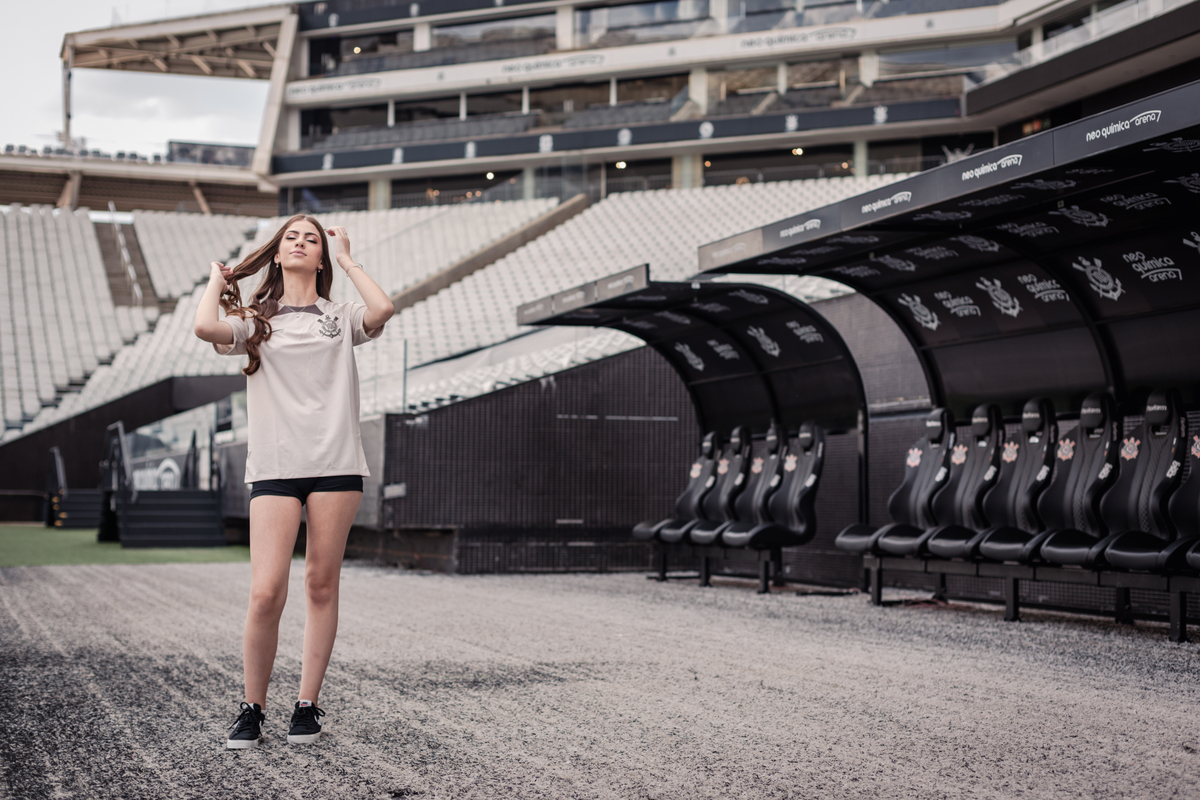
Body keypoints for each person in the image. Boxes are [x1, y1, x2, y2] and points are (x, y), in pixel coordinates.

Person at [193, 214, 394, 748]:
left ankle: (307, 705)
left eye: (312, 239)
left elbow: (384, 309)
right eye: (291, 238)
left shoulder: (341, 315)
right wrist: (220, 280)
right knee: (265, 592)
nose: (302, 244)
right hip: (276, 470)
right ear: (277, 254)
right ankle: (251, 707)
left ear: (321, 257)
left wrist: (349, 260)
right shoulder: (257, 320)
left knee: (321, 585)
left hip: (336, 468)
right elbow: (205, 327)